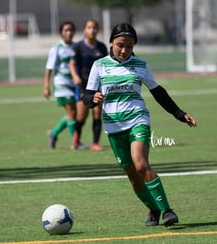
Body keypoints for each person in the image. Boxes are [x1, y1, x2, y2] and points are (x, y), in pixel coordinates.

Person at [83, 23, 197, 226]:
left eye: (129, 46)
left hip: (138, 120)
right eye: (120, 45)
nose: (124, 50)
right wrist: (93, 99)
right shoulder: (99, 65)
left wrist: (179, 114)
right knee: (134, 177)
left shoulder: (141, 65)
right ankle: (153, 208)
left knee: (141, 165)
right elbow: (87, 95)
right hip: (113, 127)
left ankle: (167, 211)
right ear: (111, 43)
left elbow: (158, 92)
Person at [70, 19, 108, 151]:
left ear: (98, 30)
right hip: (83, 85)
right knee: (82, 115)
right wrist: (75, 76)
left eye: (94, 28)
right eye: (89, 27)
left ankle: (95, 143)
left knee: (97, 113)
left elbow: (106, 65)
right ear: (85, 30)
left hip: (98, 85)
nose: (92, 30)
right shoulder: (78, 47)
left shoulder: (102, 47)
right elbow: (72, 64)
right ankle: (76, 139)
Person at [43, 21, 77, 149]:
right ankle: (75, 142)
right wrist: (46, 86)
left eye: (71, 30)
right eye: (66, 30)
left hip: (74, 84)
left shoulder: (76, 47)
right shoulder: (56, 49)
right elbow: (49, 68)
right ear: (61, 33)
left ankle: (54, 133)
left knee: (72, 114)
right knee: (72, 112)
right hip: (62, 84)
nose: (69, 33)